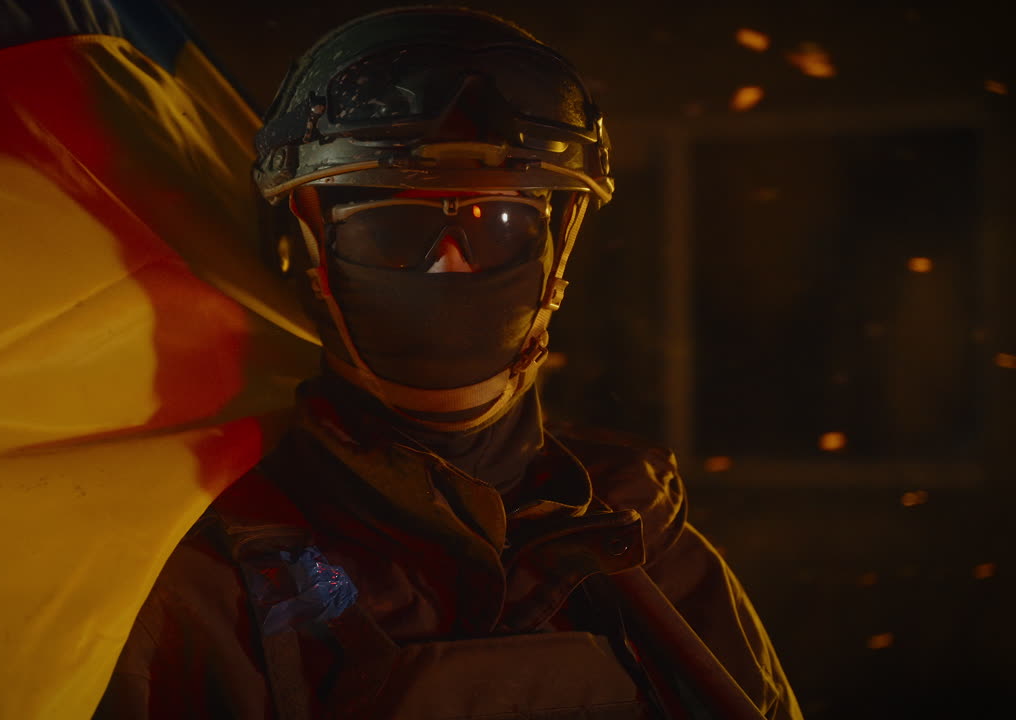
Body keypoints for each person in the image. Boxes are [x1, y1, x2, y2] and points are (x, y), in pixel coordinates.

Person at [95, 7, 802, 719]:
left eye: (496, 225)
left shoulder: (642, 536)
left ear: (556, 255)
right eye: (397, 227)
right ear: (307, 254)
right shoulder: (212, 568)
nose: (450, 265)